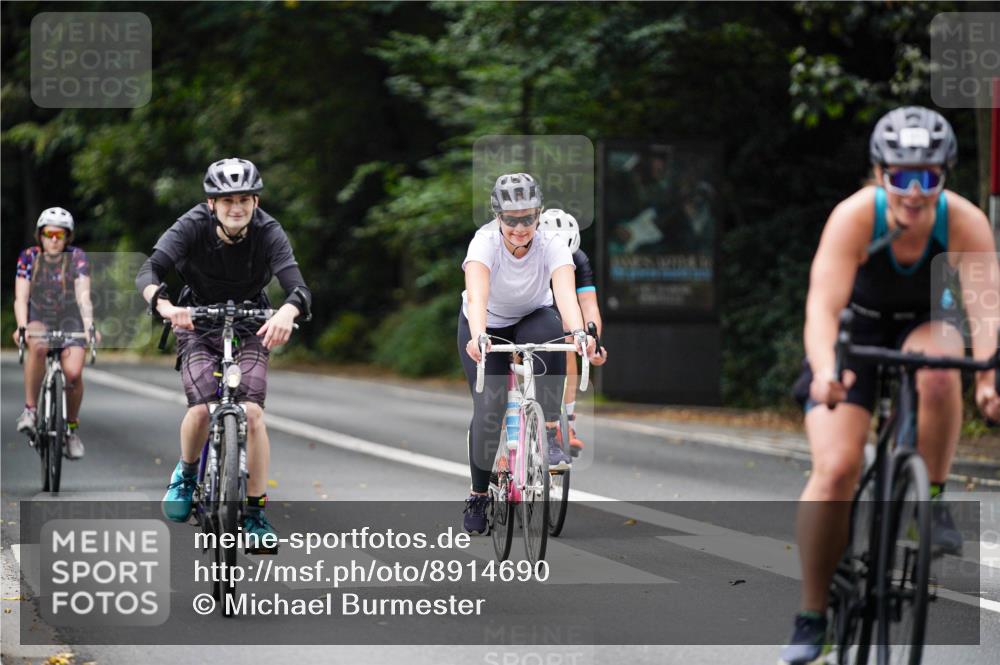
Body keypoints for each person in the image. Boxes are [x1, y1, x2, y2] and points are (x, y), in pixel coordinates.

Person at [780, 107, 1000, 664]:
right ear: (880, 174)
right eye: (901, 176)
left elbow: (986, 311)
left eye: (928, 176)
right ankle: (812, 615)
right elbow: (821, 308)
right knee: (835, 470)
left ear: (944, 176)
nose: (914, 191)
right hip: (855, 332)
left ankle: (930, 498)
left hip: (927, 321)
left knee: (939, 370)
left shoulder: (964, 221)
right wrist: (826, 370)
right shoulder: (855, 218)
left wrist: (993, 373)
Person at [135, 158, 311, 548]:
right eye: (226, 199)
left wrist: (287, 310)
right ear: (210, 203)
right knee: (200, 409)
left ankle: (254, 513)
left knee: (252, 413)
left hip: (251, 323)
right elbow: (149, 271)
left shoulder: (268, 231)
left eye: (244, 199)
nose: (236, 207)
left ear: (256, 201)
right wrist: (164, 306)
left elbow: (297, 285)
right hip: (195, 322)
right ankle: (186, 474)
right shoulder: (191, 225)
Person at [459, 173, 598, 534]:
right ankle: (478, 493)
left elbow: (566, 294)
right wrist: (478, 336)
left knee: (553, 335)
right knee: (490, 407)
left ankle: (550, 428)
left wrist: (579, 332)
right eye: (511, 219)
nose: (521, 227)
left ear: (539, 214)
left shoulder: (551, 242)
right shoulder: (484, 242)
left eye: (528, 218)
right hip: (486, 321)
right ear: (497, 216)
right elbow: (477, 295)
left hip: (532, 315)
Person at [13, 207, 97, 459]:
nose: (53, 239)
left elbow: (84, 296)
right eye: (49, 234)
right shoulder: (28, 257)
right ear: (40, 235)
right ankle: (30, 410)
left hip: (70, 319)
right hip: (40, 318)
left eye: (60, 235)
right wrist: (22, 326)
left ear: (67, 238)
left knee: (73, 373)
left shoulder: (77, 257)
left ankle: (70, 429)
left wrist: (89, 326)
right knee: (37, 346)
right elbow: (21, 297)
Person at [538, 208, 608, 458]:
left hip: (561, 309)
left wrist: (594, 343)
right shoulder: (530, 254)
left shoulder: (578, 259)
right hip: (531, 307)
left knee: (567, 345)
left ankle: (567, 421)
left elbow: (588, 303)